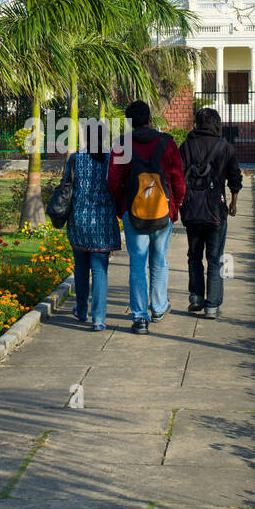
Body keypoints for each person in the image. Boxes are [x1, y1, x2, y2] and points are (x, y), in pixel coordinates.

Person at [107, 100, 185, 334]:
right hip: (163, 212)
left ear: (129, 122)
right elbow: (178, 180)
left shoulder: (122, 144)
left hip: (134, 213)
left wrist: (124, 206)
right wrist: (175, 207)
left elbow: (112, 181)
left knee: (138, 264)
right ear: (150, 119)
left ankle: (140, 317)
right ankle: (159, 307)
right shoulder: (167, 143)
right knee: (159, 261)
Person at [179, 108, 242, 319]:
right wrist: (233, 203)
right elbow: (235, 178)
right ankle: (212, 305)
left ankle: (196, 297)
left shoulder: (186, 145)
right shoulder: (226, 147)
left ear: (197, 124)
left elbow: (178, 176)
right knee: (215, 259)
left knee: (194, 255)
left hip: (192, 210)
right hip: (216, 210)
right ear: (216, 124)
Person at [66, 121, 120, 332]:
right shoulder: (110, 160)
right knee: (99, 270)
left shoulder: (75, 159)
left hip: (79, 220)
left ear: (87, 138)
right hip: (103, 222)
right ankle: (98, 319)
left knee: (80, 267)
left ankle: (81, 310)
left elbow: (65, 185)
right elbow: (116, 186)